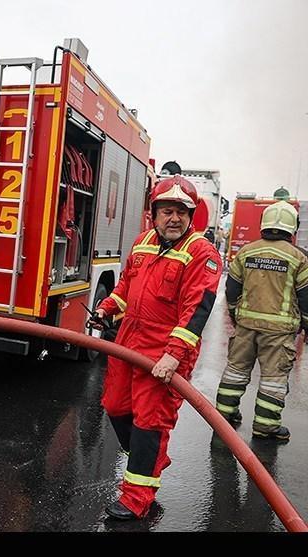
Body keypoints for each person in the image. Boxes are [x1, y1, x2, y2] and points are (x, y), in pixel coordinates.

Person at [90, 175, 222, 520]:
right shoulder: (143, 242)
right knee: (116, 406)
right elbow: (125, 287)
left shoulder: (201, 253)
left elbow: (197, 309)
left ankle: (136, 500)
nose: (173, 218)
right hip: (128, 342)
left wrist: (174, 355)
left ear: (192, 215)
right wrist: (107, 309)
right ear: (154, 214)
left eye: (181, 211)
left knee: (149, 423)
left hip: (164, 352)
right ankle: (150, 459)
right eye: (167, 210)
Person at [215, 201, 308, 442]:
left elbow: (232, 288)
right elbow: (305, 297)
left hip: (246, 326)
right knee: (273, 380)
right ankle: (265, 427)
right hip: (279, 331)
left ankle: (223, 417)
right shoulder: (299, 259)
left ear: (263, 224)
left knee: (235, 372)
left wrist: (236, 314)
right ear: (292, 228)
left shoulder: (246, 252)